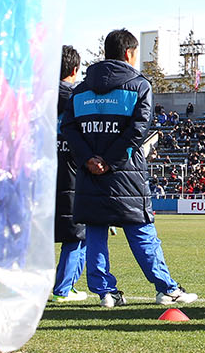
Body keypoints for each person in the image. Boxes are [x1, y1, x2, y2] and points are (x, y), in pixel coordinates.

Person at [68, 29, 197, 308]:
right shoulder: (139, 86)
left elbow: (67, 128)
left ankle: (105, 293)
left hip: (90, 175)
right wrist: (110, 161)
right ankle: (166, 289)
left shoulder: (80, 90)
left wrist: (89, 158)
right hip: (125, 174)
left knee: (96, 232)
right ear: (129, 53)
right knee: (142, 231)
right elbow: (138, 130)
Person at [51, 46, 88, 302]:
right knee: (77, 234)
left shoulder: (36, 99)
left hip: (42, 177)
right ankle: (64, 289)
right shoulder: (79, 100)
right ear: (75, 70)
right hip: (73, 177)